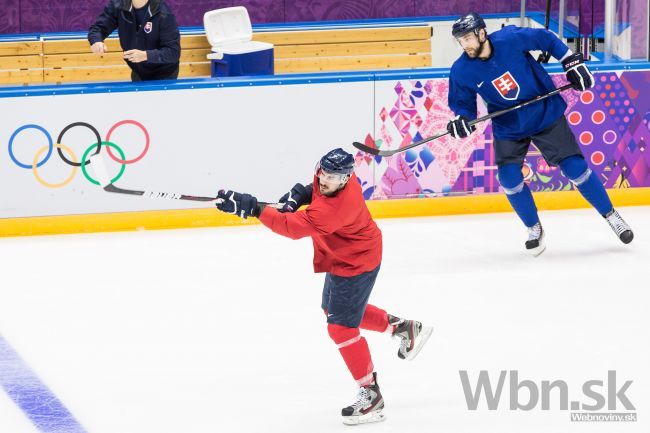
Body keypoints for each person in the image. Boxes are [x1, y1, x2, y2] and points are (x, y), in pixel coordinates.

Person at [214, 148, 433, 425]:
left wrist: (252, 208)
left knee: (340, 326)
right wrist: (298, 195)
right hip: (342, 255)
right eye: (323, 172)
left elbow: (291, 227)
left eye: (332, 177)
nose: (323, 179)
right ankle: (403, 328)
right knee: (334, 310)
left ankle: (371, 394)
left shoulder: (336, 208)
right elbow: (312, 189)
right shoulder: (330, 180)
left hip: (357, 261)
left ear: (345, 180)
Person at [446, 12, 634, 256]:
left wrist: (571, 62)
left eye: (468, 38)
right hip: (509, 124)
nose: (465, 45)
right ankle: (534, 228)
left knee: (575, 169)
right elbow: (463, 104)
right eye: (460, 41)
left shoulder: (510, 38)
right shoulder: (461, 70)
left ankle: (612, 215)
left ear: (482, 33)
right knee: (510, 180)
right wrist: (462, 119)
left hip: (544, 112)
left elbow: (546, 39)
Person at [88, 0, 181, 81]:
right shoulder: (118, 5)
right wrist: (96, 41)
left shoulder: (163, 13)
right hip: (139, 72)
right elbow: (98, 28)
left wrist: (146, 56)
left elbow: (173, 52)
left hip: (165, 74)